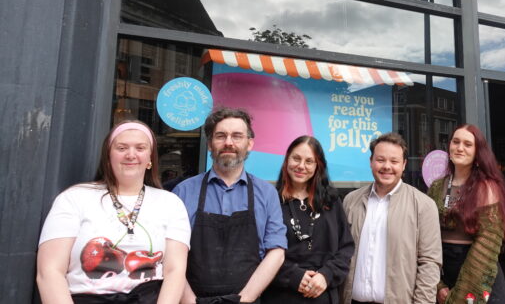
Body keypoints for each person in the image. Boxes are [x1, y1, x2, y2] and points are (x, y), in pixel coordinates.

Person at [37, 120, 191, 303]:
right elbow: (50, 271)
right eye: (122, 148)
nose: (131, 154)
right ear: (108, 155)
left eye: (140, 148)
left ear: (150, 159)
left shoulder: (171, 203)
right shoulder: (74, 198)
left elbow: (174, 271)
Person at [173, 108, 286, 303]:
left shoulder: (267, 194)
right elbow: (171, 256)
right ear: (209, 144)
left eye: (237, 136)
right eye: (220, 136)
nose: (229, 143)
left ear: (249, 144)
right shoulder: (183, 192)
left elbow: (276, 252)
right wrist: (190, 301)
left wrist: (244, 299)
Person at [341, 132, 442, 304]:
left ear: (403, 165)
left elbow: (429, 263)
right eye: (380, 160)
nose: (387, 166)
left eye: (394, 161)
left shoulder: (423, 205)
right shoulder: (351, 201)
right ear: (371, 162)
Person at [427, 124, 505, 304]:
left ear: (478, 153)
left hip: (478, 270)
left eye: (468, 144)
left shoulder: (487, 188)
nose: (460, 148)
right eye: (456, 142)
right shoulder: (437, 187)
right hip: (444, 272)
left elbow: (487, 243)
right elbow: (425, 238)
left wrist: (461, 294)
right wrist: (438, 284)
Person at [263, 136, 354, 304]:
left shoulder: (332, 202)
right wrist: (293, 276)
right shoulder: (271, 201)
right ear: (287, 160)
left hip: (322, 295)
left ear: (318, 166)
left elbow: (346, 248)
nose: (301, 166)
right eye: (296, 158)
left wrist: (327, 275)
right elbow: (259, 251)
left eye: (309, 161)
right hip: (279, 296)